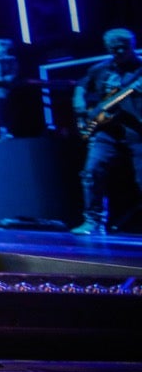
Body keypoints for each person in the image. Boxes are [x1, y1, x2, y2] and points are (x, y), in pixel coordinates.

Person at [71, 28, 142, 235]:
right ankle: (93, 221)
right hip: (107, 131)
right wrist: (80, 107)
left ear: (132, 45)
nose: (119, 51)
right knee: (92, 171)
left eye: (123, 47)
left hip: (137, 130)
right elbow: (81, 86)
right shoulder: (100, 69)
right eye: (114, 48)